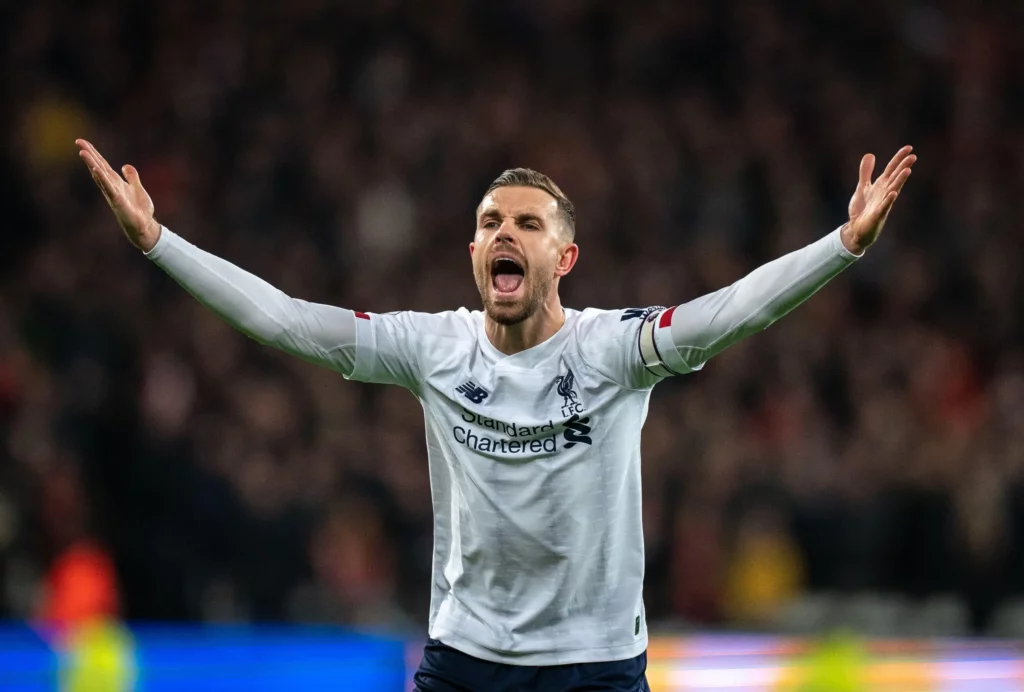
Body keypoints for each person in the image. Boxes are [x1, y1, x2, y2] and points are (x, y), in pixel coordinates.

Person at [76, 138, 914, 691]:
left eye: (526, 223)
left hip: (595, 666)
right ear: (475, 254)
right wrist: (158, 241)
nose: (505, 232)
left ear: (565, 256)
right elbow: (286, 321)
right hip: (466, 663)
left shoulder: (613, 350)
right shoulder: (431, 348)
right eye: (490, 223)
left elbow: (734, 310)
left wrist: (841, 246)